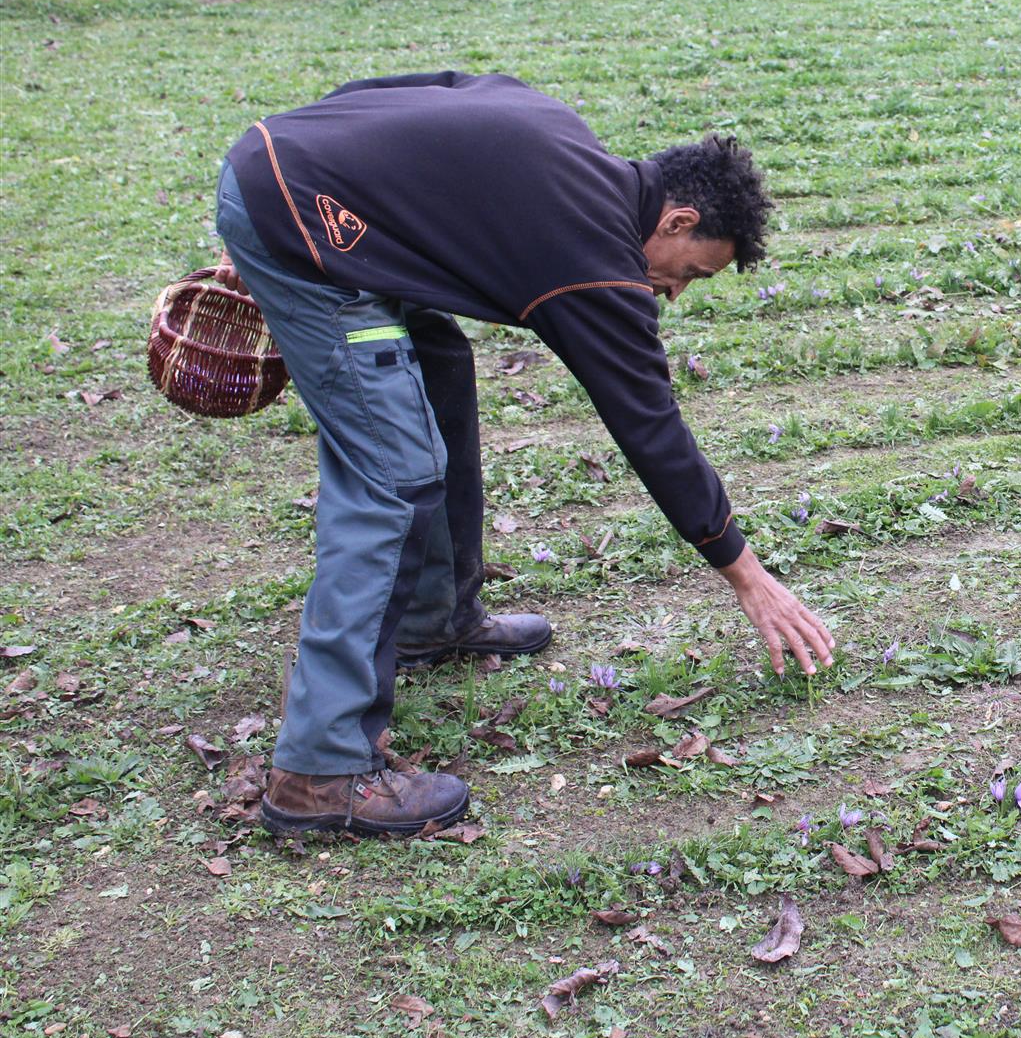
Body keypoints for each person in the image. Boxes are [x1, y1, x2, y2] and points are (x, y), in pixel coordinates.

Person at [209, 71, 835, 838]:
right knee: (392, 477)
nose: (674, 292)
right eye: (692, 272)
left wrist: (284, 176)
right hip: (300, 220)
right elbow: (651, 428)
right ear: (676, 218)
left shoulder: (568, 140)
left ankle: (435, 620)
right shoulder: (593, 252)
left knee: (438, 364)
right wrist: (746, 573)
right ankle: (320, 768)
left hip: (290, 176)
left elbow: (423, 90)